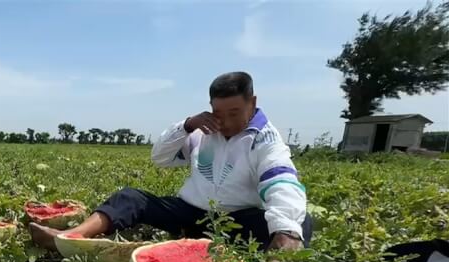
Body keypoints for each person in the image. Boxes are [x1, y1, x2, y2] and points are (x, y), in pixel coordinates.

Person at [30, 71, 312, 252]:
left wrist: (285, 229)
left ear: (253, 103)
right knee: (130, 197)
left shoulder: (265, 140)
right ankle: (70, 237)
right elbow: (160, 157)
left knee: (300, 223)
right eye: (218, 112)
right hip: (190, 213)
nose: (224, 121)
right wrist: (188, 125)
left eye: (235, 113)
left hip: (236, 223)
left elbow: (282, 183)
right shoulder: (205, 131)